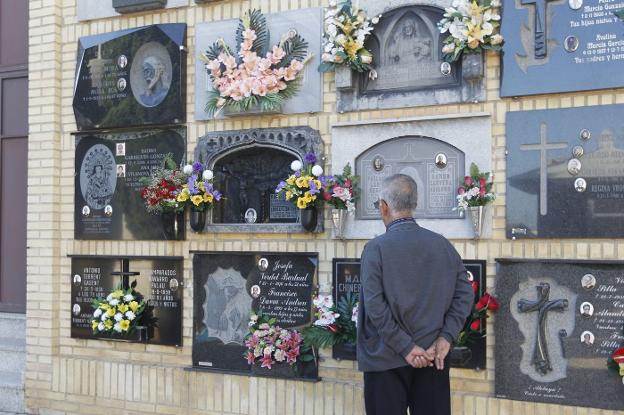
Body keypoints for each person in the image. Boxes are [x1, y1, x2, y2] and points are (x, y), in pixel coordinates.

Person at [357, 174, 473, 415]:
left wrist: (407, 348)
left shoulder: (375, 249)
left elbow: (375, 306)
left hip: (385, 359)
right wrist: (446, 337)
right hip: (433, 355)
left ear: (384, 206)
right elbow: (465, 294)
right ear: (414, 205)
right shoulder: (442, 245)